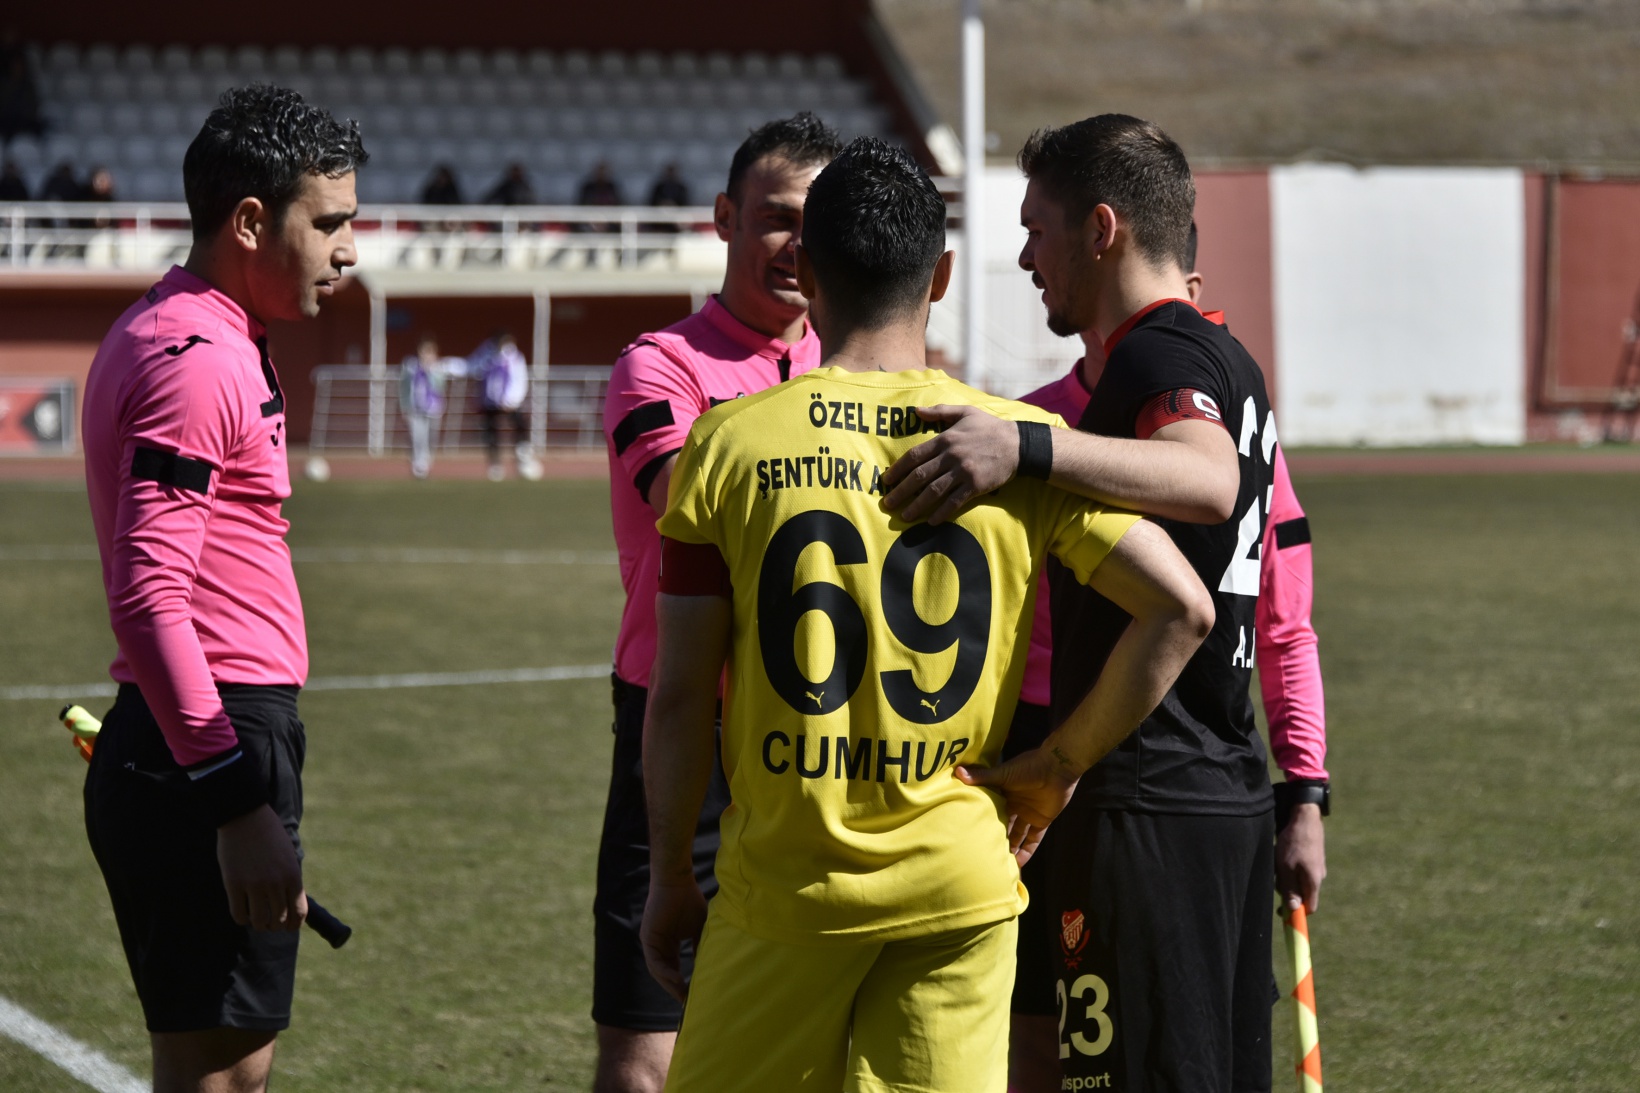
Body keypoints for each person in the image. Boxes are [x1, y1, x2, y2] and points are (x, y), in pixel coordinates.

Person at [640, 136, 1213, 1093]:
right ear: (941, 277)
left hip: (786, 890)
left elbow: (681, 692)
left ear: (807, 271)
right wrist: (1055, 765)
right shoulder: (1014, 445)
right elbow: (1181, 610)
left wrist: (666, 878)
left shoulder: (727, 446)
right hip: (959, 881)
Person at [879, 114, 1283, 1092]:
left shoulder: (1157, 359)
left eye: (1036, 228)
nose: (1024, 258)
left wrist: (1023, 448)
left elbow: (1203, 479)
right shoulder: (1227, 358)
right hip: (1224, 792)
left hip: (1147, 804)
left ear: (1100, 228)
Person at [79, 84, 364, 1093]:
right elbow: (149, 593)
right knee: (220, 1079)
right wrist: (233, 797)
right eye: (329, 223)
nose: (349, 250)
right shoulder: (197, 358)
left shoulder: (193, 331)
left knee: (219, 1071)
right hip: (211, 744)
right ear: (251, 220)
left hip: (207, 738)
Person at [1003, 222, 1330, 1091]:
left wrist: (1303, 789)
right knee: (1040, 1039)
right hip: (1034, 762)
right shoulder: (1038, 415)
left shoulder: (1195, 410)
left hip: (1141, 774)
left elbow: (1284, 620)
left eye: (1038, 230)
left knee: (1146, 1051)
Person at [595, 111, 840, 1093]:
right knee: (645, 1048)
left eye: (818, 222)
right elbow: (688, 509)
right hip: (678, 720)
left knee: (802, 1033)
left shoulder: (857, 365)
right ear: (723, 219)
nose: (797, 244)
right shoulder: (658, 365)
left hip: (816, 715)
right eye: (777, 217)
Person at [469, 330, 534, 480]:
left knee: (520, 426)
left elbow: (519, 380)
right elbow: (471, 367)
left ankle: (523, 456)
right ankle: (495, 465)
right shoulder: (486, 355)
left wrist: (510, 400)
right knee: (491, 432)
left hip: (510, 402)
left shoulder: (515, 357)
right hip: (489, 401)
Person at [399, 334, 459, 479]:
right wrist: (404, 406)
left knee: (431, 437)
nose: (426, 354)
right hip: (415, 407)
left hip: (433, 408)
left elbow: (440, 386)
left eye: (430, 351)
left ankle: (426, 460)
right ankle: (418, 464)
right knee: (417, 436)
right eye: (424, 351)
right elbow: (403, 386)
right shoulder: (410, 366)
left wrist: (431, 371)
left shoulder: (438, 368)